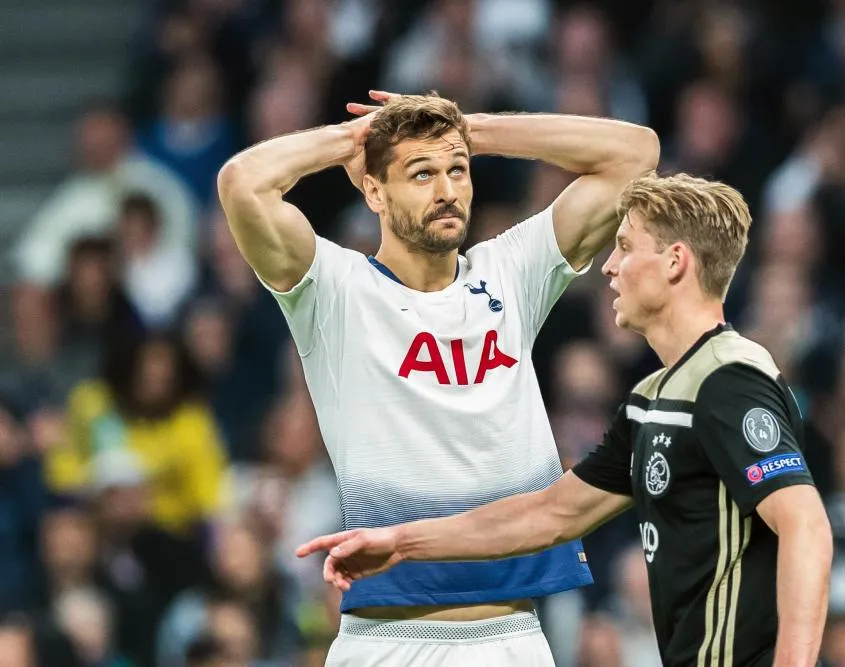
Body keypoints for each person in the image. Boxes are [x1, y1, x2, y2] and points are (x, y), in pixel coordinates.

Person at [298, 173, 834, 667]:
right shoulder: (656, 395)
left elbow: (805, 525)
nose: (609, 265)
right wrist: (403, 543)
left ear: (675, 262)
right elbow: (550, 514)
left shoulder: (728, 379)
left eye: (624, 247)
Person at [217, 90, 659, 666]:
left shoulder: (509, 273)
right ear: (374, 189)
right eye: (421, 173)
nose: (448, 190)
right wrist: (354, 140)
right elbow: (241, 183)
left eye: (458, 170)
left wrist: (470, 129)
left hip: (514, 638)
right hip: (388, 643)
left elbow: (636, 154)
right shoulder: (334, 290)